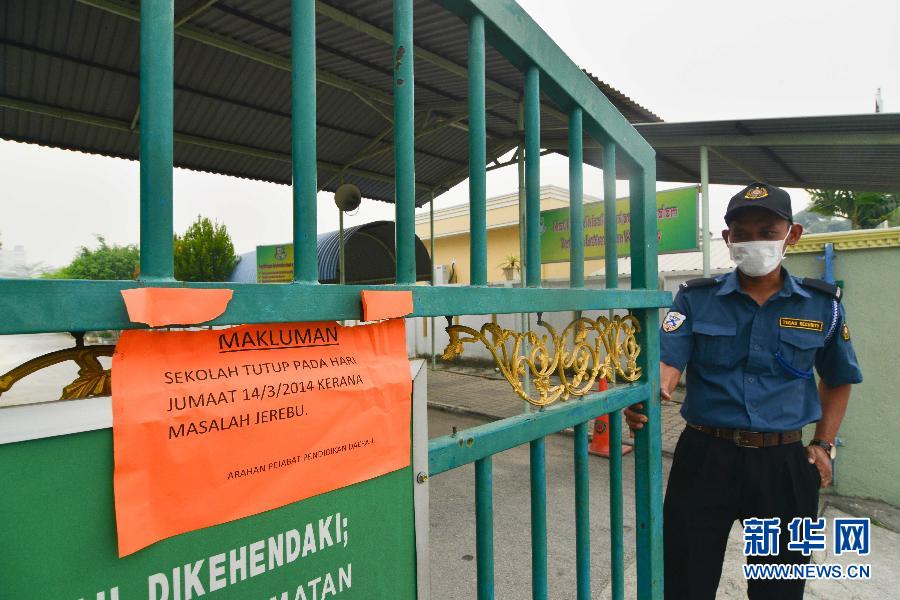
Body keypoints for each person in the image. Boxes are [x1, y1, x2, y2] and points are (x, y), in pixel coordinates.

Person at [625, 183, 862, 600]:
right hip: (704, 460)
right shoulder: (696, 299)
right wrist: (647, 393)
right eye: (743, 233)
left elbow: (838, 377)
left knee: (779, 590)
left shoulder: (822, 305)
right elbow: (668, 362)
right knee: (686, 584)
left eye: (767, 232)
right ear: (727, 238)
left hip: (783, 468)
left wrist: (824, 444)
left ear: (792, 234)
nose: (755, 242)